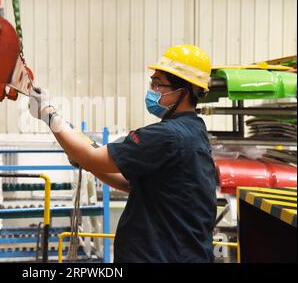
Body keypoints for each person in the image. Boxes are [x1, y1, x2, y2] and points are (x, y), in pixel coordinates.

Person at [28, 44, 217, 263]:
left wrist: (49, 115)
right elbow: (130, 183)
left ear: (183, 92)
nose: (152, 89)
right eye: (151, 82)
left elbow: (91, 157)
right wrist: (87, 160)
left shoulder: (167, 136)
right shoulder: (193, 130)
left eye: (158, 84)